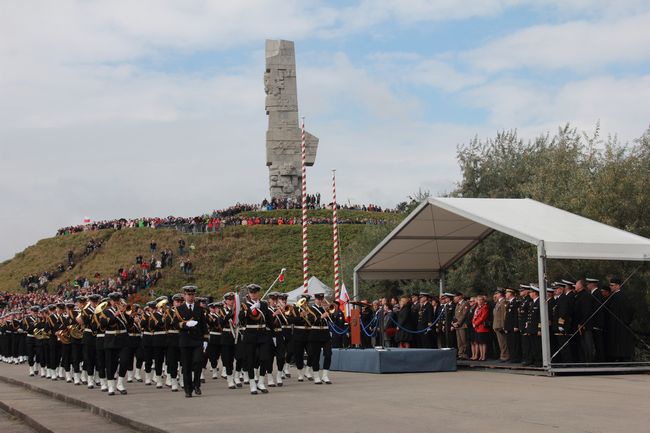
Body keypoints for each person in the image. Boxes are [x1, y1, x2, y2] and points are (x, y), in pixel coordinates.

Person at [176, 285, 208, 398]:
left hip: (197, 340)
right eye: (188, 294)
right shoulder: (179, 309)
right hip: (185, 340)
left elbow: (204, 326)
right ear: (184, 295)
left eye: (192, 294)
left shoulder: (200, 309)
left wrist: (205, 340)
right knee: (186, 366)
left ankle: (197, 384)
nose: (190, 296)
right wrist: (185, 324)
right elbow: (175, 324)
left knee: (198, 362)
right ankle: (188, 389)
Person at [605, 277, 635, 362]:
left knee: (620, 344)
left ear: (618, 286)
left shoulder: (621, 296)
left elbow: (630, 309)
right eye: (610, 285)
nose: (610, 287)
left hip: (620, 324)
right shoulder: (614, 296)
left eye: (612, 285)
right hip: (615, 325)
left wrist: (626, 320)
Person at [307, 291, 333, 384]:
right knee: (316, 356)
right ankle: (316, 376)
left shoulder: (325, 308)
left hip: (325, 333)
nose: (320, 301)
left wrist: (330, 312)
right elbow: (310, 321)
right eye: (319, 299)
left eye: (321, 299)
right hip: (315, 333)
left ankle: (325, 375)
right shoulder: (310, 309)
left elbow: (332, 320)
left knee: (328, 354)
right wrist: (321, 317)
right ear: (315, 299)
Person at [503, 288, 521, 363]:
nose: (505, 294)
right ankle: (512, 357)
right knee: (510, 342)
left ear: (511, 293)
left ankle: (516, 358)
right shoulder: (509, 303)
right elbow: (507, 316)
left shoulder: (516, 302)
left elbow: (516, 315)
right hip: (509, 326)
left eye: (507, 293)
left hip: (513, 326)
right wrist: (506, 326)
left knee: (515, 343)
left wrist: (516, 325)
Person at [492, 289, 509, 362]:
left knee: (503, 342)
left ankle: (505, 356)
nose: (495, 295)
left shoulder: (503, 302)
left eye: (496, 293)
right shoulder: (498, 303)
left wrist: (503, 326)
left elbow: (504, 315)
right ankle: (503, 355)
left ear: (500, 294)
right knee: (500, 342)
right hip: (497, 325)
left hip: (500, 326)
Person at [471, 295, 490, 361]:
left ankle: (483, 356)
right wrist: (473, 322)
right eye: (478, 300)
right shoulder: (477, 308)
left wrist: (475, 323)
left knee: (483, 342)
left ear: (483, 300)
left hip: (482, 327)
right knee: (479, 342)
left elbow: (482, 317)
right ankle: (480, 356)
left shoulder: (485, 307)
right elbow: (474, 316)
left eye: (480, 300)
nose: (479, 301)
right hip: (477, 327)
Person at [452, 292, 470, 359]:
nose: (454, 298)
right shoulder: (457, 305)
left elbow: (464, 315)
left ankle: (465, 354)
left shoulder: (465, 303)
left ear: (460, 297)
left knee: (464, 340)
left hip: (462, 325)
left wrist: (458, 323)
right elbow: (456, 315)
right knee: (459, 341)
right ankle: (460, 354)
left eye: (455, 297)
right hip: (457, 325)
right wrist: (454, 322)